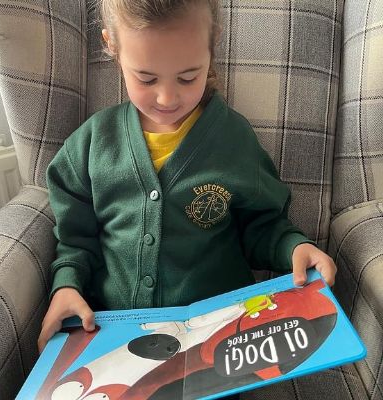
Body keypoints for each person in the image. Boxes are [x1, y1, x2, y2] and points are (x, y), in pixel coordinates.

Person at [38, 1, 336, 383]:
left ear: (212, 45)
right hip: (114, 345)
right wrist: (67, 285)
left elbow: (262, 225)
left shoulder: (233, 139)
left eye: (188, 77)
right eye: (146, 79)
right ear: (112, 45)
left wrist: (293, 247)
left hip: (217, 346)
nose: (167, 98)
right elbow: (74, 240)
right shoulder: (91, 145)